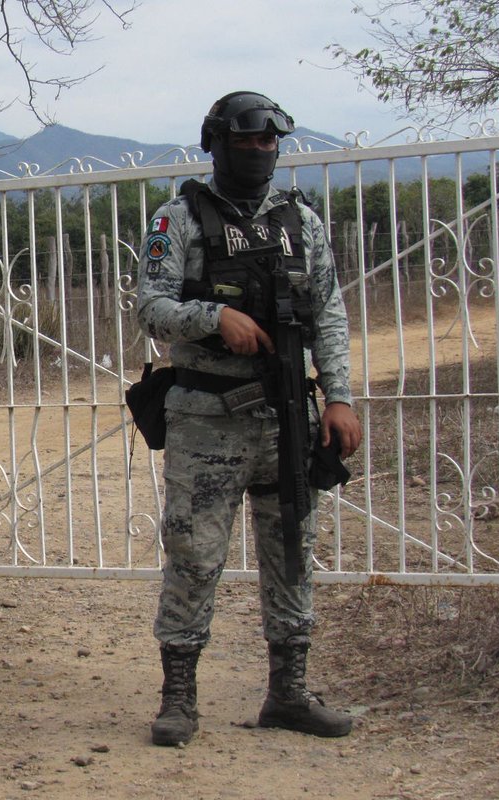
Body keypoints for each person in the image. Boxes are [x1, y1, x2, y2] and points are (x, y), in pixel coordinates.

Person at [135, 91, 363, 746]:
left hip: (285, 417)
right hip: (206, 420)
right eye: (246, 142)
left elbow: (330, 313)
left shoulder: (303, 224)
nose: (260, 152)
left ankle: (287, 694)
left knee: (293, 549)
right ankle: (178, 697)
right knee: (194, 555)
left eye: (269, 143)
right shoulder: (177, 220)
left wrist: (340, 397)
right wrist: (214, 319)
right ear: (216, 144)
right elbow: (150, 306)